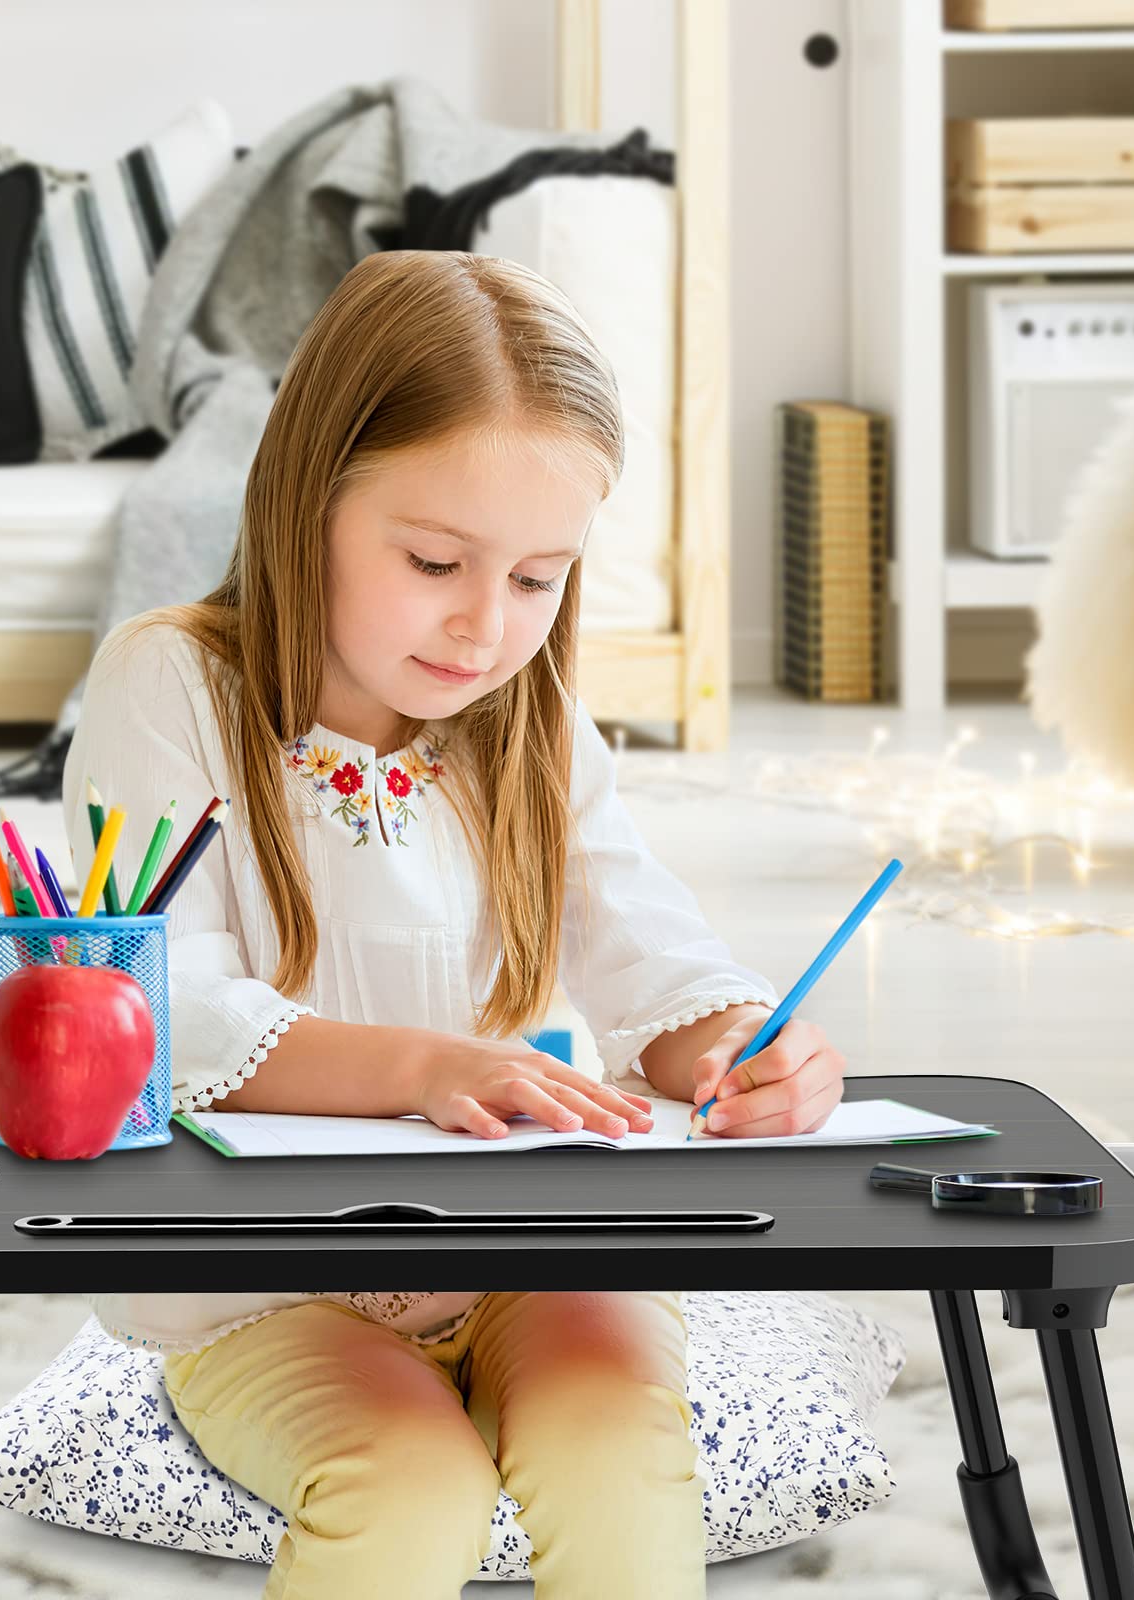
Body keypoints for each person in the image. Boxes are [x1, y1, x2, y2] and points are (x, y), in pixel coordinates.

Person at [61, 249, 847, 1599]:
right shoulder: (172, 683)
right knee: (406, 1485)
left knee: (618, 1456)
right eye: (435, 561)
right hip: (269, 1287)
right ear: (308, 497)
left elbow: (649, 951)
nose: (486, 626)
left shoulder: (533, 727)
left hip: (532, 1250)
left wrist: (741, 1045)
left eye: (540, 579)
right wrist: (426, 1067)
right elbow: (153, 1006)